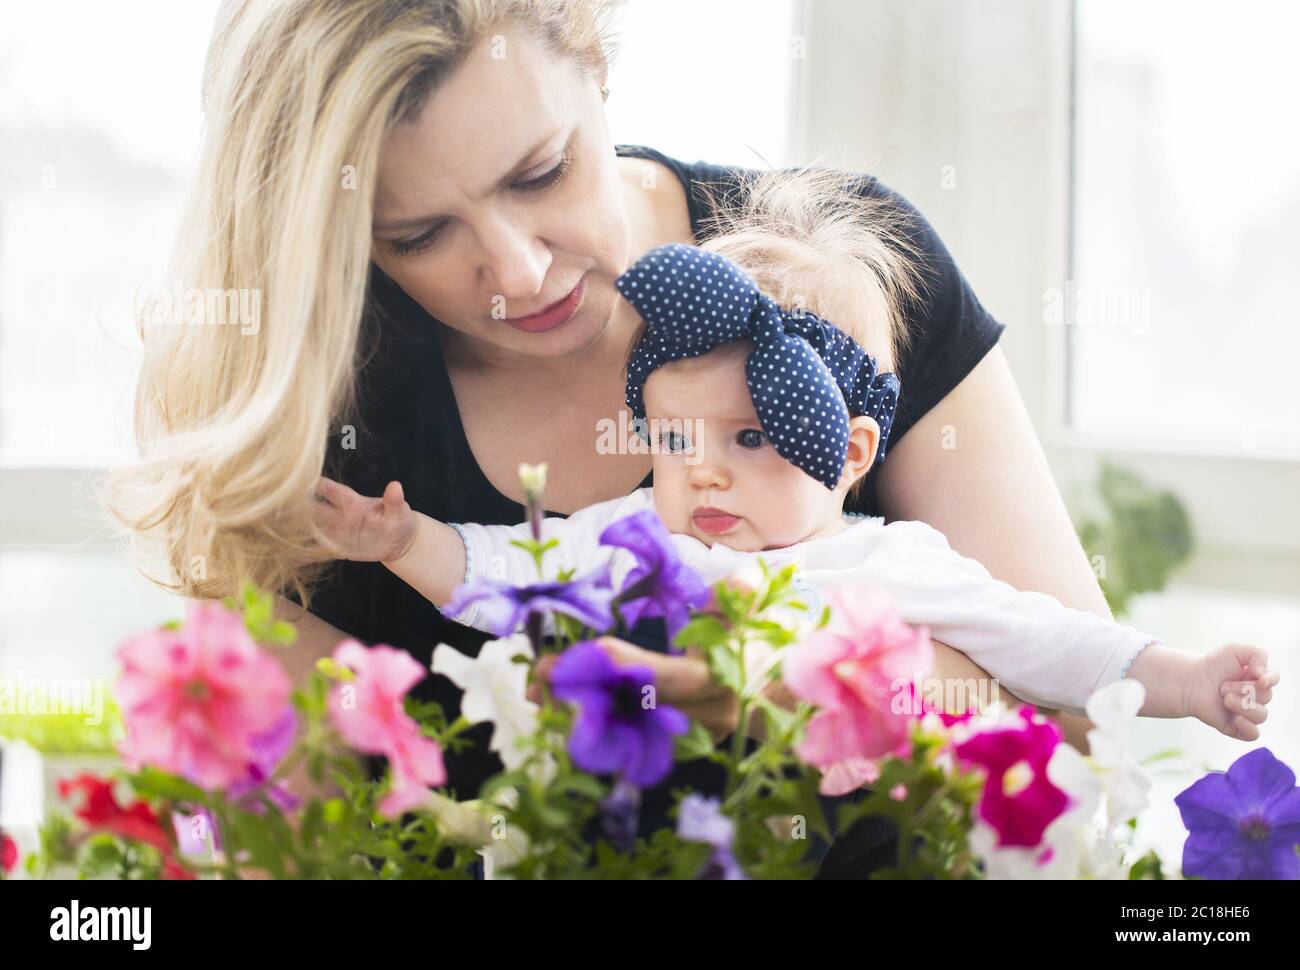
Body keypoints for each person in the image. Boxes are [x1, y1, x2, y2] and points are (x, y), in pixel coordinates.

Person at [107, 0, 1123, 869]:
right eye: (417, 235)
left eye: (541, 173)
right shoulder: (323, 411)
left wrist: (785, 681)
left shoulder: (844, 269)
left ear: (597, 67)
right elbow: (319, 830)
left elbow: (1085, 741)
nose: (516, 273)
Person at [308, 220, 1277, 746]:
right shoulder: (642, 534)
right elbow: (506, 575)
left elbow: (1051, 644)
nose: (704, 467)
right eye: (676, 435)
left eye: (751, 436)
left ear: (852, 451)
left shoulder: (890, 564)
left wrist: (1186, 682)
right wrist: (403, 542)